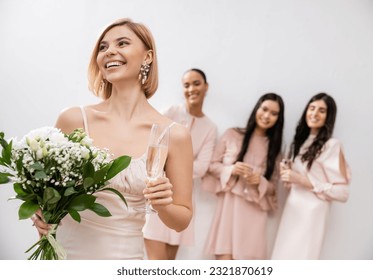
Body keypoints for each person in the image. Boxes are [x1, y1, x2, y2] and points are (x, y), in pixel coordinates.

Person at [31, 18, 193, 260]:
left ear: (147, 56)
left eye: (123, 43)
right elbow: (43, 191)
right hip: (64, 255)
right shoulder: (73, 119)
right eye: (103, 47)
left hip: (124, 260)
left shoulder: (174, 134)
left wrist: (163, 205)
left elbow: (181, 220)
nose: (110, 52)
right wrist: (38, 211)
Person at [143, 68, 218, 260]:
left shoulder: (210, 127)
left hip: (182, 200)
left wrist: (171, 162)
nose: (191, 88)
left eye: (196, 83)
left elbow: (202, 168)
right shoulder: (169, 113)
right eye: (186, 85)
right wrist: (183, 164)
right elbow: (149, 148)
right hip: (159, 193)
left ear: (206, 86)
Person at [202, 93, 284, 260]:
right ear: (257, 109)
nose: (267, 116)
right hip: (229, 210)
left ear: (278, 119)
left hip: (254, 216)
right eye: (265, 109)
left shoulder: (275, 151)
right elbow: (211, 165)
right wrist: (231, 169)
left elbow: (274, 188)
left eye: (274, 113)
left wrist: (260, 181)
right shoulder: (232, 134)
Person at [271, 93, 351, 260]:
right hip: (292, 210)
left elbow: (343, 193)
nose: (314, 114)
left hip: (312, 215)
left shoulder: (332, 145)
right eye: (312, 108)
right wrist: (287, 174)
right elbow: (292, 184)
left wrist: (303, 180)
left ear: (328, 117)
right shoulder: (298, 143)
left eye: (322, 111)